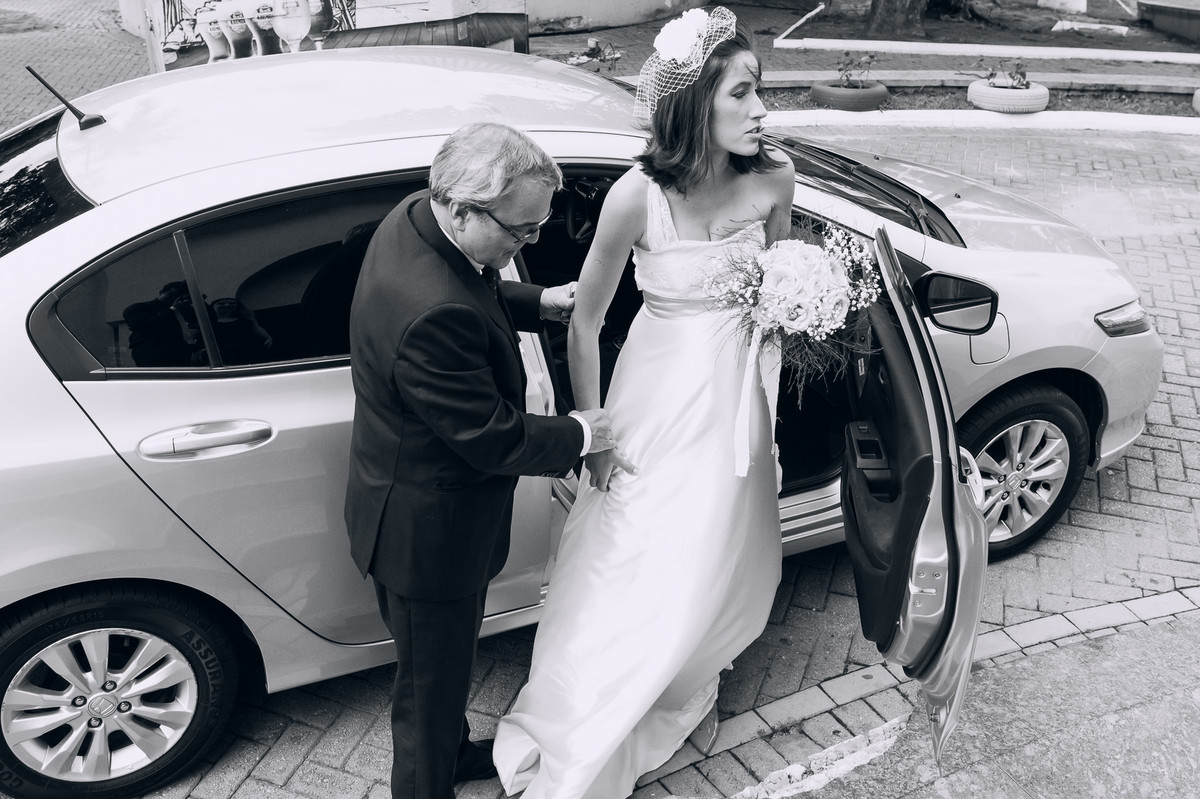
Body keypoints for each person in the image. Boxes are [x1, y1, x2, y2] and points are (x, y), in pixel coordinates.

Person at [493, 8, 796, 798]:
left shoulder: (775, 177)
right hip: (658, 395)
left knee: (716, 542)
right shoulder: (637, 196)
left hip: (738, 398)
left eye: (760, 90)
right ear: (696, 104)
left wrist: (805, 305)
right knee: (637, 544)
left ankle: (684, 664)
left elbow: (784, 283)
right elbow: (586, 320)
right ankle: (594, 711)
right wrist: (592, 433)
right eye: (743, 93)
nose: (761, 109)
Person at [343, 122, 629, 799]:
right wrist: (583, 431)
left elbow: (477, 283)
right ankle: (424, 781)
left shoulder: (419, 218)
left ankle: (447, 753)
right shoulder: (429, 311)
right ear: (465, 207)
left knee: (441, 675)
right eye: (521, 233)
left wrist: (541, 302)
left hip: (414, 506)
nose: (525, 245)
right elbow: (492, 437)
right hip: (427, 538)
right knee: (426, 689)